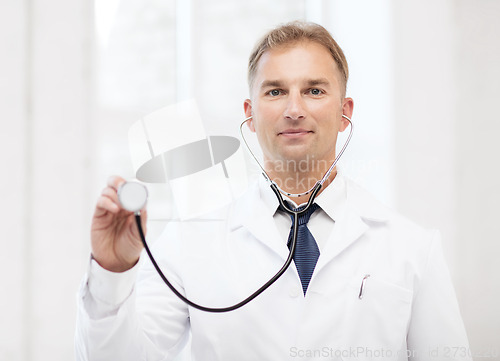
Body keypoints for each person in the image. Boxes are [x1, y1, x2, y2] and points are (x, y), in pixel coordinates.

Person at [75, 21, 471, 361]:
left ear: (345, 111)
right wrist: (112, 271)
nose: (294, 109)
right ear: (249, 113)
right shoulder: (189, 242)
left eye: (315, 90)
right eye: (275, 91)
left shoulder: (413, 249)